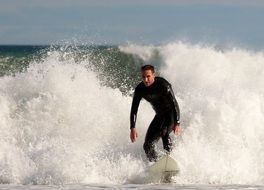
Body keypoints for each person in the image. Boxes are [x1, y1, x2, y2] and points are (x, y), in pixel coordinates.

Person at [130, 64, 181, 162]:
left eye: (148, 76)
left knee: (164, 132)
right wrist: (132, 127)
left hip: (171, 114)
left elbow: (174, 104)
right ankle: (156, 163)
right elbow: (134, 109)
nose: (145, 79)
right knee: (147, 145)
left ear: (153, 75)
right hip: (159, 115)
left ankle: (169, 159)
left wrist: (177, 122)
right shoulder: (140, 89)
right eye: (143, 77)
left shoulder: (163, 85)